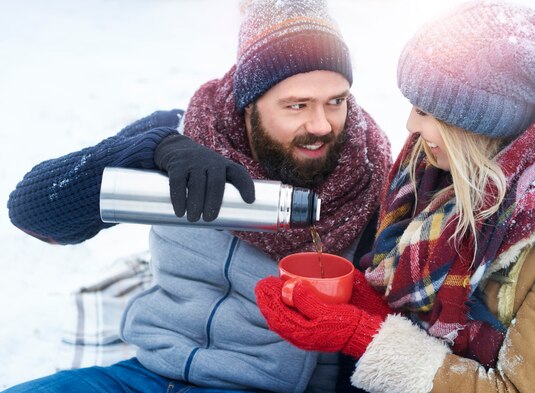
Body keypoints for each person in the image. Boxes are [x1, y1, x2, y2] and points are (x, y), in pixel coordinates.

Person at [5, 0, 391, 391]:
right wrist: (149, 150)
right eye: (297, 105)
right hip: (143, 377)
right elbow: (35, 213)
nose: (321, 125)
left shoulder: (371, 185)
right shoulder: (178, 139)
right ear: (249, 104)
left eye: (336, 101)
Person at [255, 1, 535, 392]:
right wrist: (365, 305)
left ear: (483, 121)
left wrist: (364, 336)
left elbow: (519, 387)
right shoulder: (432, 175)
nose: (410, 124)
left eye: (427, 111)